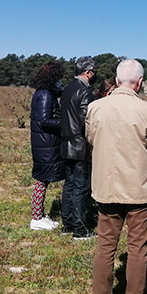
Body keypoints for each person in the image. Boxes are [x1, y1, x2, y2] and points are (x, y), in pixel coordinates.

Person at [86, 59, 147, 294]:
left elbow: (91, 138)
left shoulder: (96, 107)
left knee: (105, 246)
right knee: (137, 249)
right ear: (140, 82)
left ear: (117, 78)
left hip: (106, 187)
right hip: (138, 191)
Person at [60, 56, 96, 240]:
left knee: (69, 184)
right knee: (81, 187)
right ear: (88, 72)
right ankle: (80, 230)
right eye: (94, 72)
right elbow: (85, 120)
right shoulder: (84, 92)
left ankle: (66, 223)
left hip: (65, 143)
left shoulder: (67, 89)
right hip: (80, 145)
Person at [29, 62, 66, 230]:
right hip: (46, 143)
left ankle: (40, 216)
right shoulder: (45, 95)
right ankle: (36, 218)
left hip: (43, 143)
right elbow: (45, 121)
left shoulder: (43, 93)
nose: (60, 81)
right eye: (58, 78)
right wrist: (66, 122)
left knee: (43, 180)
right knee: (42, 180)